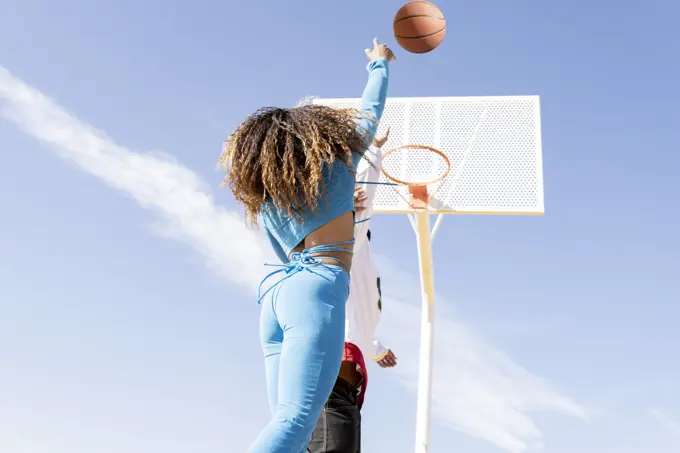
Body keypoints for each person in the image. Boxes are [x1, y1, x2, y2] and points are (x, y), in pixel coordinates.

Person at [219, 39, 395, 453]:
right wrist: (379, 64)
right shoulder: (341, 158)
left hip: (276, 293)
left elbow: (285, 255)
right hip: (316, 285)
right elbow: (371, 109)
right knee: (295, 423)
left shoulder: (267, 197)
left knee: (288, 429)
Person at [307, 129, 398, 453]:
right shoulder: (346, 243)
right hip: (332, 388)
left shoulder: (358, 260)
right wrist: (373, 150)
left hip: (339, 389)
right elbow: (363, 197)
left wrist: (376, 348)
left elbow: (356, 315)